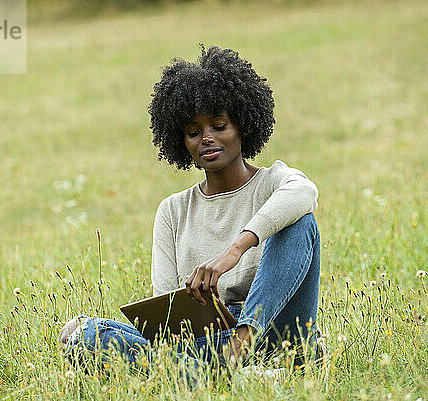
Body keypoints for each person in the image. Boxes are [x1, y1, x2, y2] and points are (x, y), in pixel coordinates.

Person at [60, 45, 321, 376]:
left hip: (277, 335)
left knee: (300, 223)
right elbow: (166, 317)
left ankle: (228, 362)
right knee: (81, 333)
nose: (206, 139)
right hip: (206, 342)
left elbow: (305, 192)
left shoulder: (275, 182)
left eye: (219, 125)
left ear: (243, 124)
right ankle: (219, 376)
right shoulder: (172, 211)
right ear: (181, 141)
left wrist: (237, 249)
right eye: (193, 132)